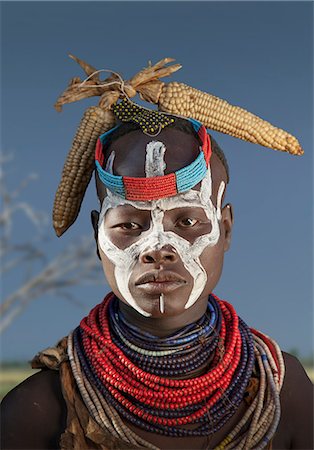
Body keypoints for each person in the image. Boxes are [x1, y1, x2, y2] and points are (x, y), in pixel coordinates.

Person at [1, 58, 313, 450]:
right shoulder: (38, 412)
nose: (158, 249)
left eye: (186, 222)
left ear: (226, 229)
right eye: (129, 225)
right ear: (98, 237)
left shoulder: (285, 392)